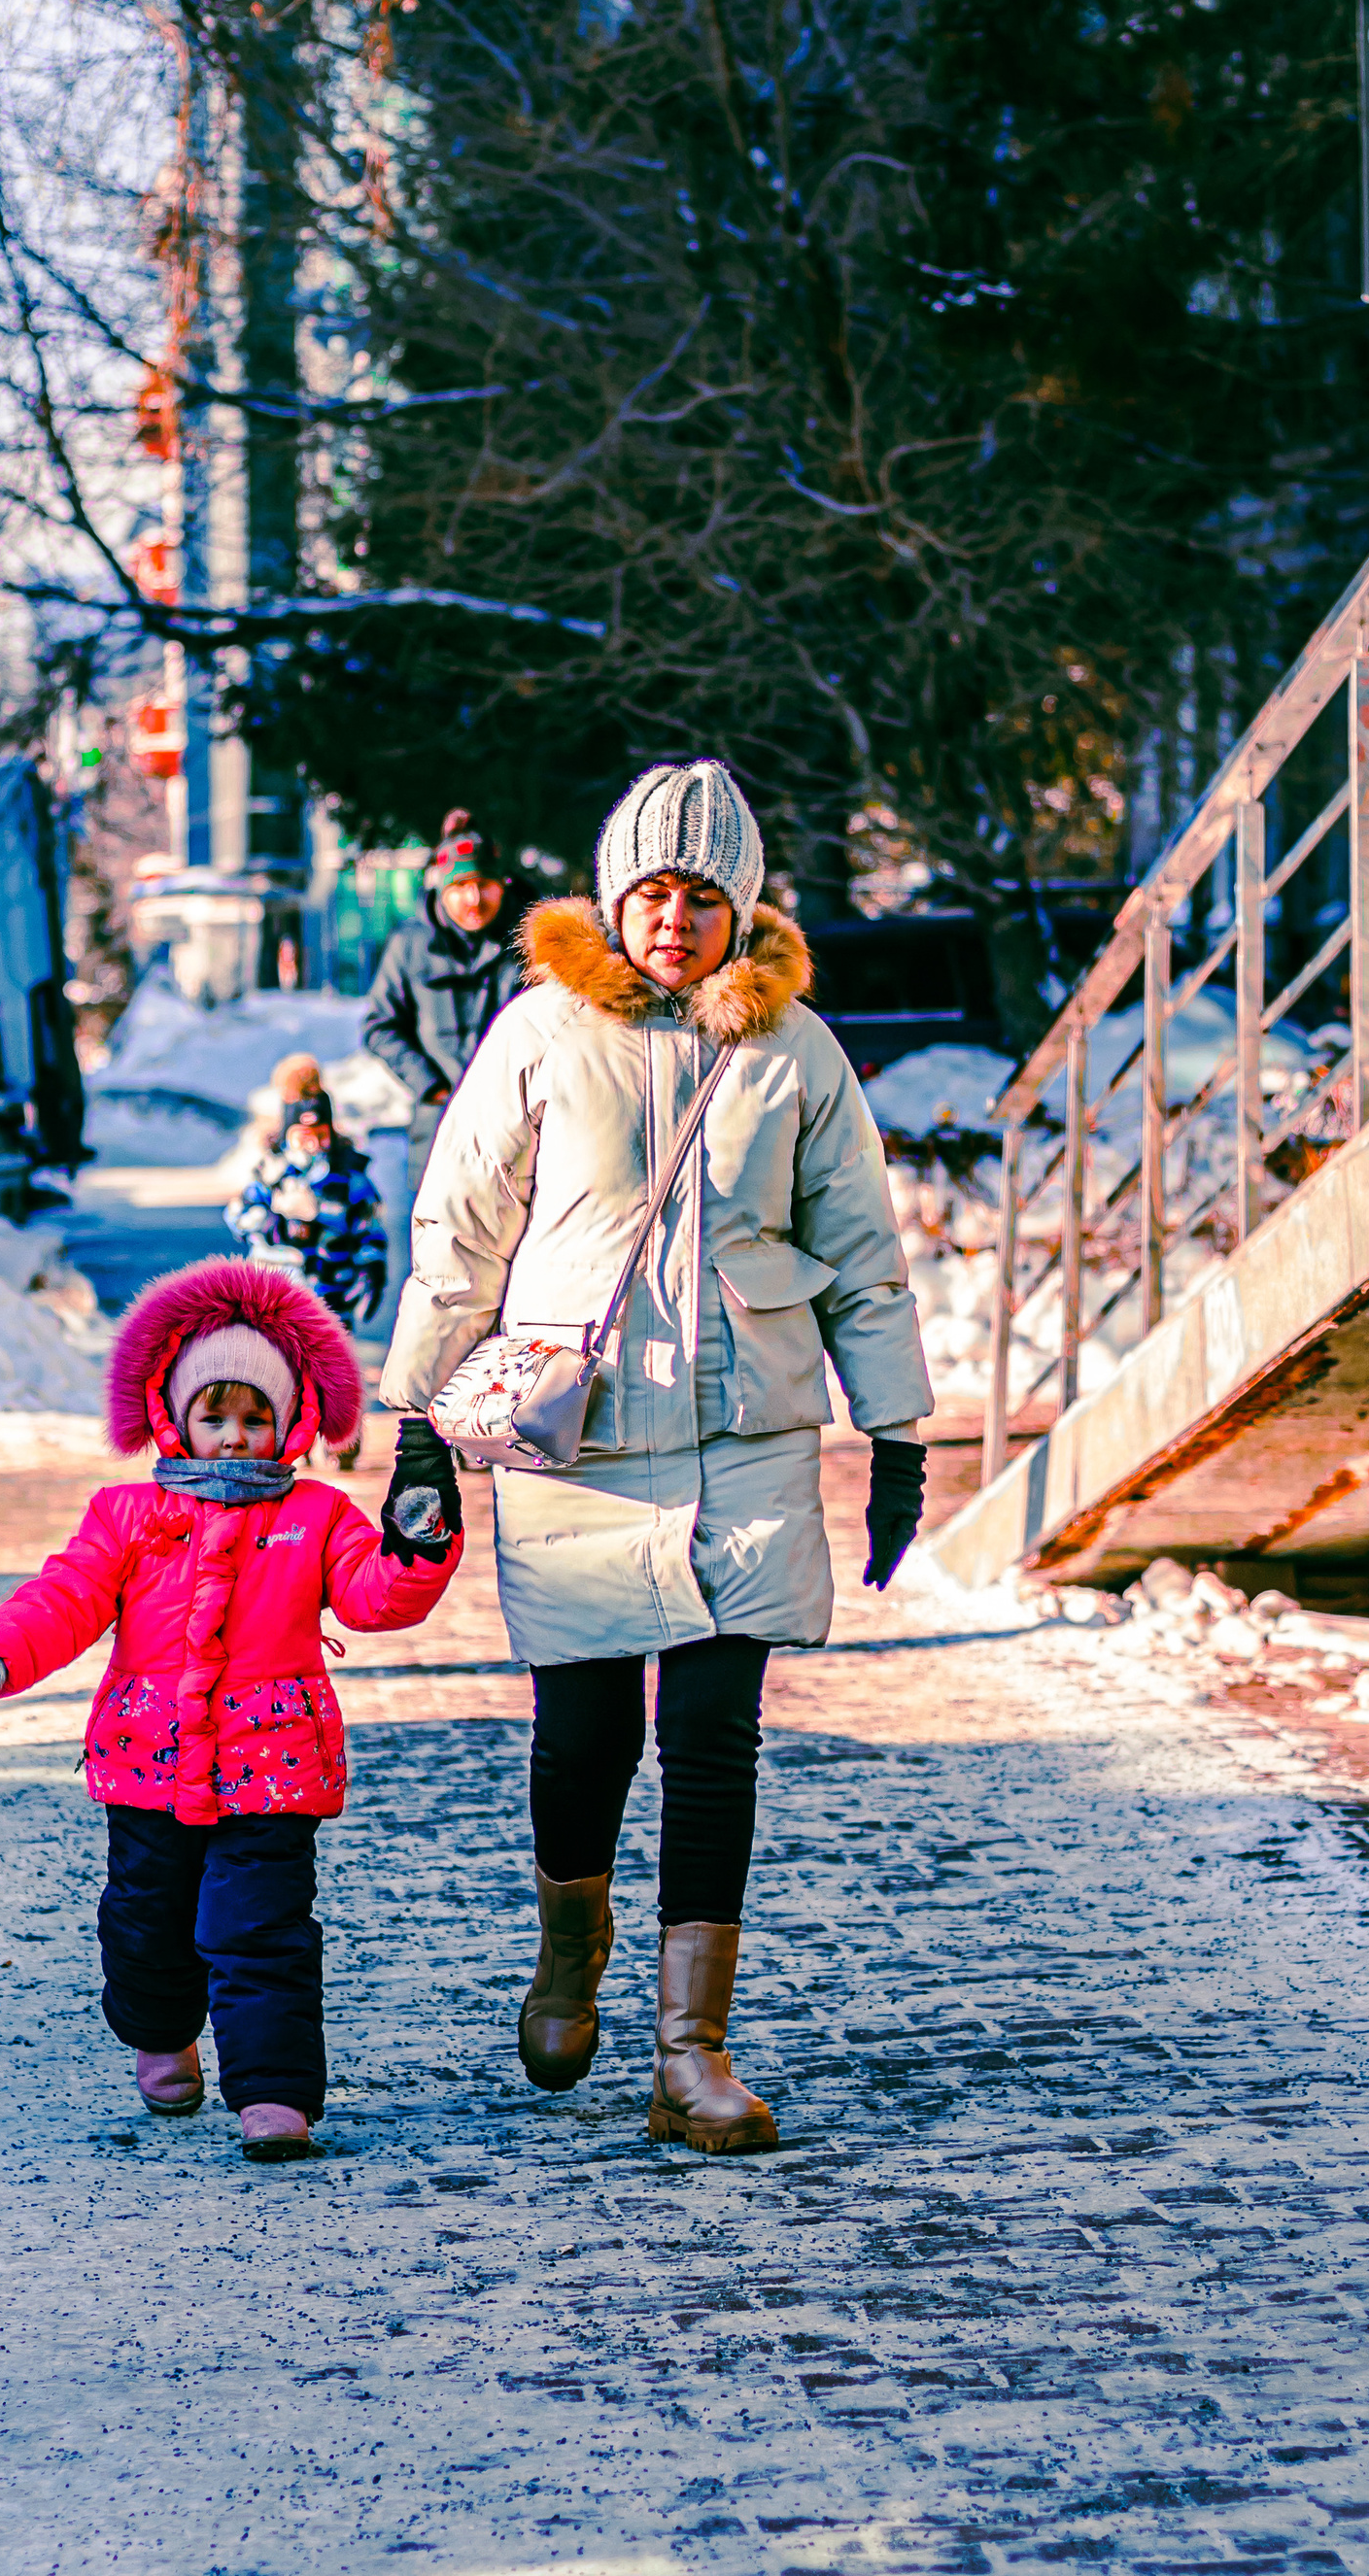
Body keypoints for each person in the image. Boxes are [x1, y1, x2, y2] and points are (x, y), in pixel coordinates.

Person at [378, 759, 931, 2154]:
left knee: (713, 1736)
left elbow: (863, 1250)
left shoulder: (796, 1051)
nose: (674, 919)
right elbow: (459, 1235)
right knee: (586, 1738)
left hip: (746, 1435)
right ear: (613, 898)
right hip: (581, 1434)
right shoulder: (539, 1034)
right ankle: (572, 1948)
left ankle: (692, 2050)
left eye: (701, 895)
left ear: (739, 907)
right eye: (651, 892)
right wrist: (418, 1428)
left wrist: (897, 1430)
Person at [0, 1258, 461, 2163]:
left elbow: (376, 1594)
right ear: (175, 1416)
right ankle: (162, 2033)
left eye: (255, 1419)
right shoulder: (127, 1514)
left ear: (289, 1422)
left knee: (259, 1930)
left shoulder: (315, 1516)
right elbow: (65, 1597)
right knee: (146, 1924)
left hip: (273, 1768)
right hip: (146, 1761)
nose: (233, 1438)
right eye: (214, 1417)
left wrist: (418, 1537)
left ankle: (273, 2092)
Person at [360, 811, 535, 1192]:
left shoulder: (532, 942)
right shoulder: (410, 945)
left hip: (520, 1133)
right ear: (442, 888)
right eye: (460, 886)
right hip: (438, 1131)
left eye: (484, 884)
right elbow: (379, 1026)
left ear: (502, 884)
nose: (474, 898)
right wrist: (430, 1085)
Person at [229, 1056, 389, 1335]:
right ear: (288, 1134)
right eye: (304, 1136)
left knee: (327, 1358)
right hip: (275, 1296)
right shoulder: (271, 1173)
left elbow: (369, 1230)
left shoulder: (350, 1178)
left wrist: (372, 1270)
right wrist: (269, 1222)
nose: (313, 1143)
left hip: (332, 1299)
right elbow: (238, 1216)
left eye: (320, 1134)